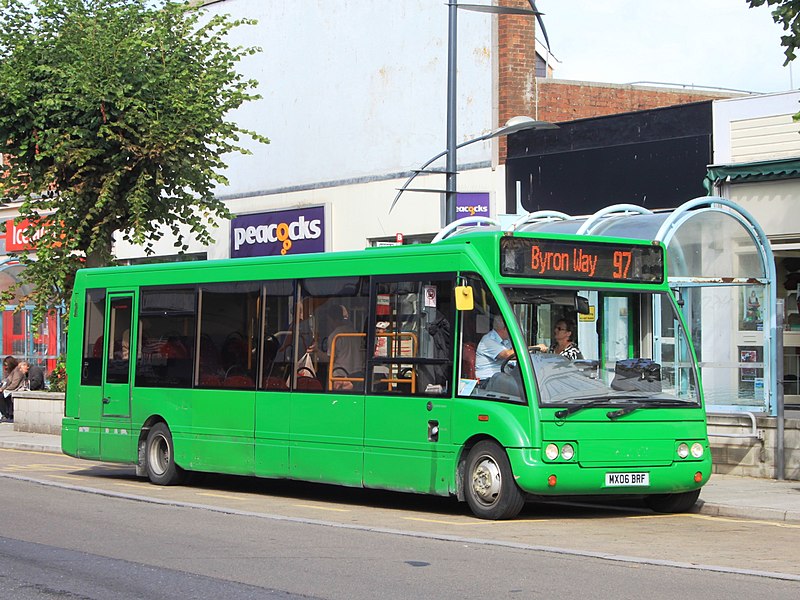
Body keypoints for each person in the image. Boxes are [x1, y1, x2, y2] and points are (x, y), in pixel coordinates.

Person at [475, 315, 515, 380]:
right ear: (505, 328)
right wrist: (531, 349)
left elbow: (514, 354)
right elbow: (508, 355)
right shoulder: (487, 340)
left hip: (501, 378)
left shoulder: (506, 340)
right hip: (487, 380)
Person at [0, 356, 24, 422]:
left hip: (15, 390)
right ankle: (5, 414)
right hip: (9, 389)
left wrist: (4, 389)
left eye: (6, 365)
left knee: (2, 396)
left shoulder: (17, 371)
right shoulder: (11, 372)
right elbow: (7, 382)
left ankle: (7, 415)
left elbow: (14, 384)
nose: (6, 367)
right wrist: (2, 388)